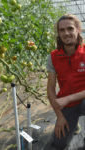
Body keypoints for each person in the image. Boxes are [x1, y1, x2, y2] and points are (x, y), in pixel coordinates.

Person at [43, 14, 85, 150]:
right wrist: (59, 116)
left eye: (70, 28)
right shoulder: (53, 57)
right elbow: (50, 89)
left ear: (78, 29)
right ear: (58, 33)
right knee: (60, 144)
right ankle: (73, 123)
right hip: (68, 106)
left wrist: (68, 98)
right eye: (62, 30)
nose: (66, 33)